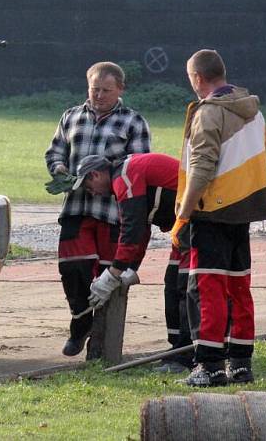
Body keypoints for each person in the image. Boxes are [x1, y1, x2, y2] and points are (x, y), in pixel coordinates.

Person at [171, 49, 266, 387]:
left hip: (211, 211)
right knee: (238, 286)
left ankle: (210, 365)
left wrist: (184, 213)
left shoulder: (208, 113)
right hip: (243, 208)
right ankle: (241, 363)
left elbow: (201, 167)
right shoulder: (253, 111)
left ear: (198, 78)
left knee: (206, 288)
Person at [44, 61, 151, 358]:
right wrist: (60, 168)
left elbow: (139, 166)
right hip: (77, 207)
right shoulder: (71, 116)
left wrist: (107, 174)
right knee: (72, 269)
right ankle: (80, 325)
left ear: (120, 89)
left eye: (106, 90)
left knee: (108, 277)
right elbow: (54, 151)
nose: (99, 95)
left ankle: (100, 345)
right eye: (94, 89)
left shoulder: (133, 122)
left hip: (113, 212)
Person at [70, 153, 194, 372]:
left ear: (96, 173)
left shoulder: (124, 178)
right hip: (184, 224)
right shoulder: (126, 174)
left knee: (184, 287)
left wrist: (112, 275)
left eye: (89, 185)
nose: (92, 192)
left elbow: (132, 229)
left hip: (196, 220)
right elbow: (142, 228)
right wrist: (130, 268)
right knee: (173, 284)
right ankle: (178, 351)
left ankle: (186, 356)